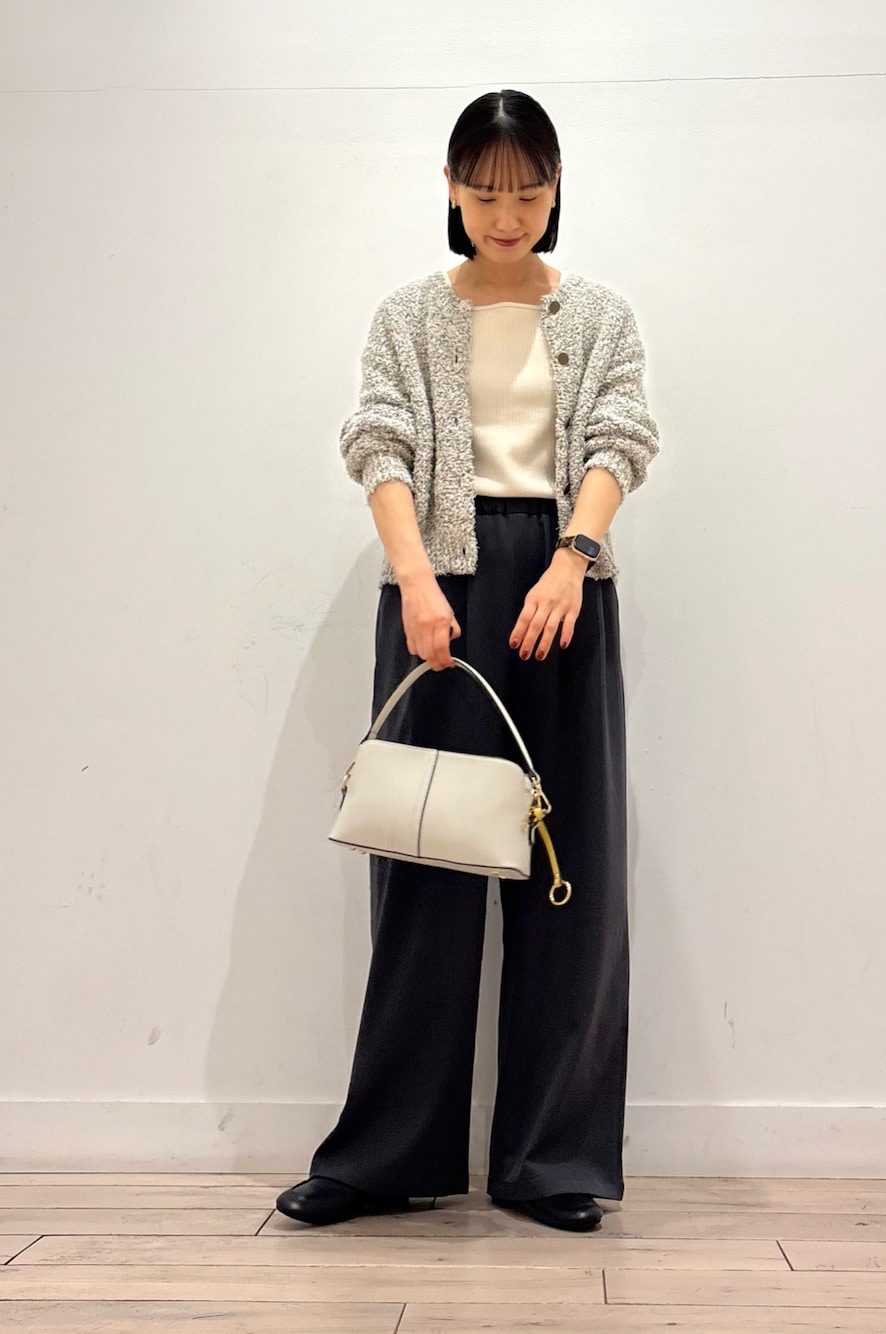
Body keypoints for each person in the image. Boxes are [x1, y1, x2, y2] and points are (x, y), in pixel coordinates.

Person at [276, 88, 660, 1233]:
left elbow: (621, 436)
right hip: (435, 584)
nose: (506, 213)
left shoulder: (599, 314)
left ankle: (552, 1160)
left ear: (556, 188)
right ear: (449, 188)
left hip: (562, 589)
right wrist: (414, 580)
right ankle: (389, 1153)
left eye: (527, 191)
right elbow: (378, 439)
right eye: (485, 191)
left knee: (564, 866)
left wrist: (572, 557)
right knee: (426, 857)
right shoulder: (408, 315)